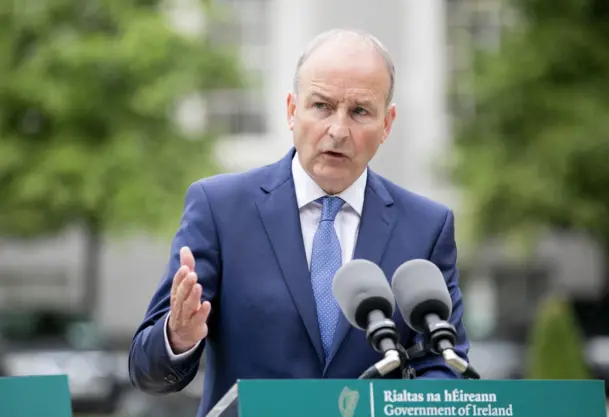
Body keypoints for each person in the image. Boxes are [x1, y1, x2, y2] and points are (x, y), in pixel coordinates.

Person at [128, 28, 470, 417]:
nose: (338, 130)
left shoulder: (427, 227)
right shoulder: (220, 209)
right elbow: (146, 372)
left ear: (387, 124)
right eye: (322, 106)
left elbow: (445, 365)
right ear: (292, 110)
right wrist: (178, 337)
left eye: (360, 111)